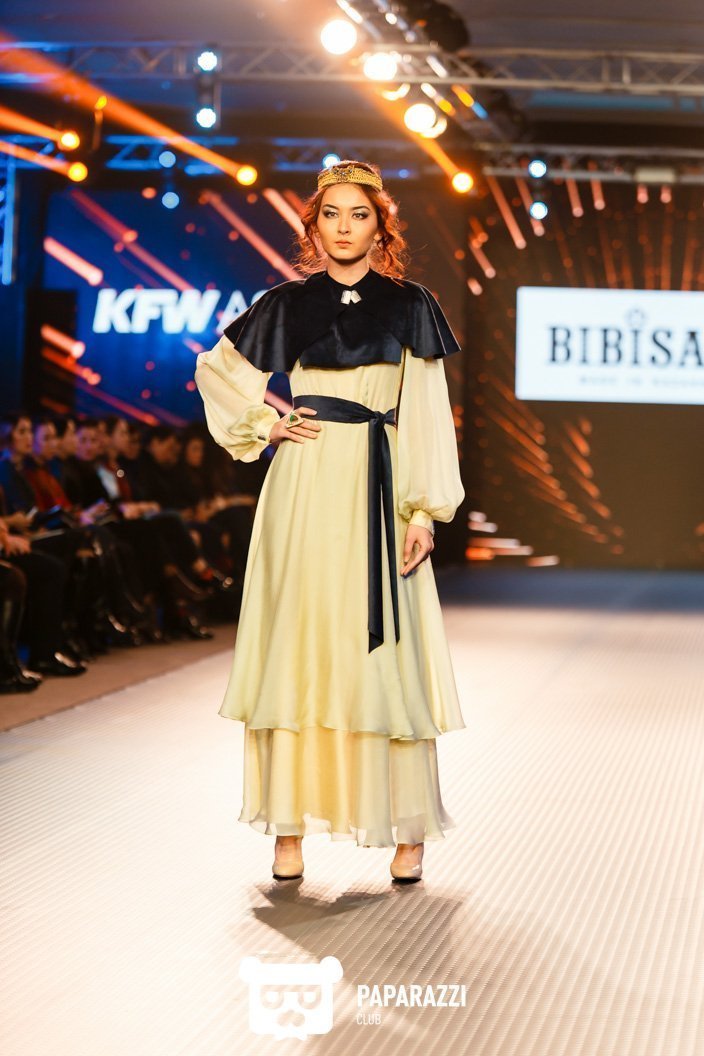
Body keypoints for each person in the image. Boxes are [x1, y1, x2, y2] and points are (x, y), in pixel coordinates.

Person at [195, 159, 465, 883]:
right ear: (313, 227)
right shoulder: (285, 303)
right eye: (332, 215)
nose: (345, 228)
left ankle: (406, 825)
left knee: (383, 650)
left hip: (380, 479)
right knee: (301, 640)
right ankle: (288, 827)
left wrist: (423, 510)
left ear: (381, 229)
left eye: (360, 215)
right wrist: (267, 424)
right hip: (306, 482)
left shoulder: (411, 305)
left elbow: (428, 413)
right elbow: (216, 371)